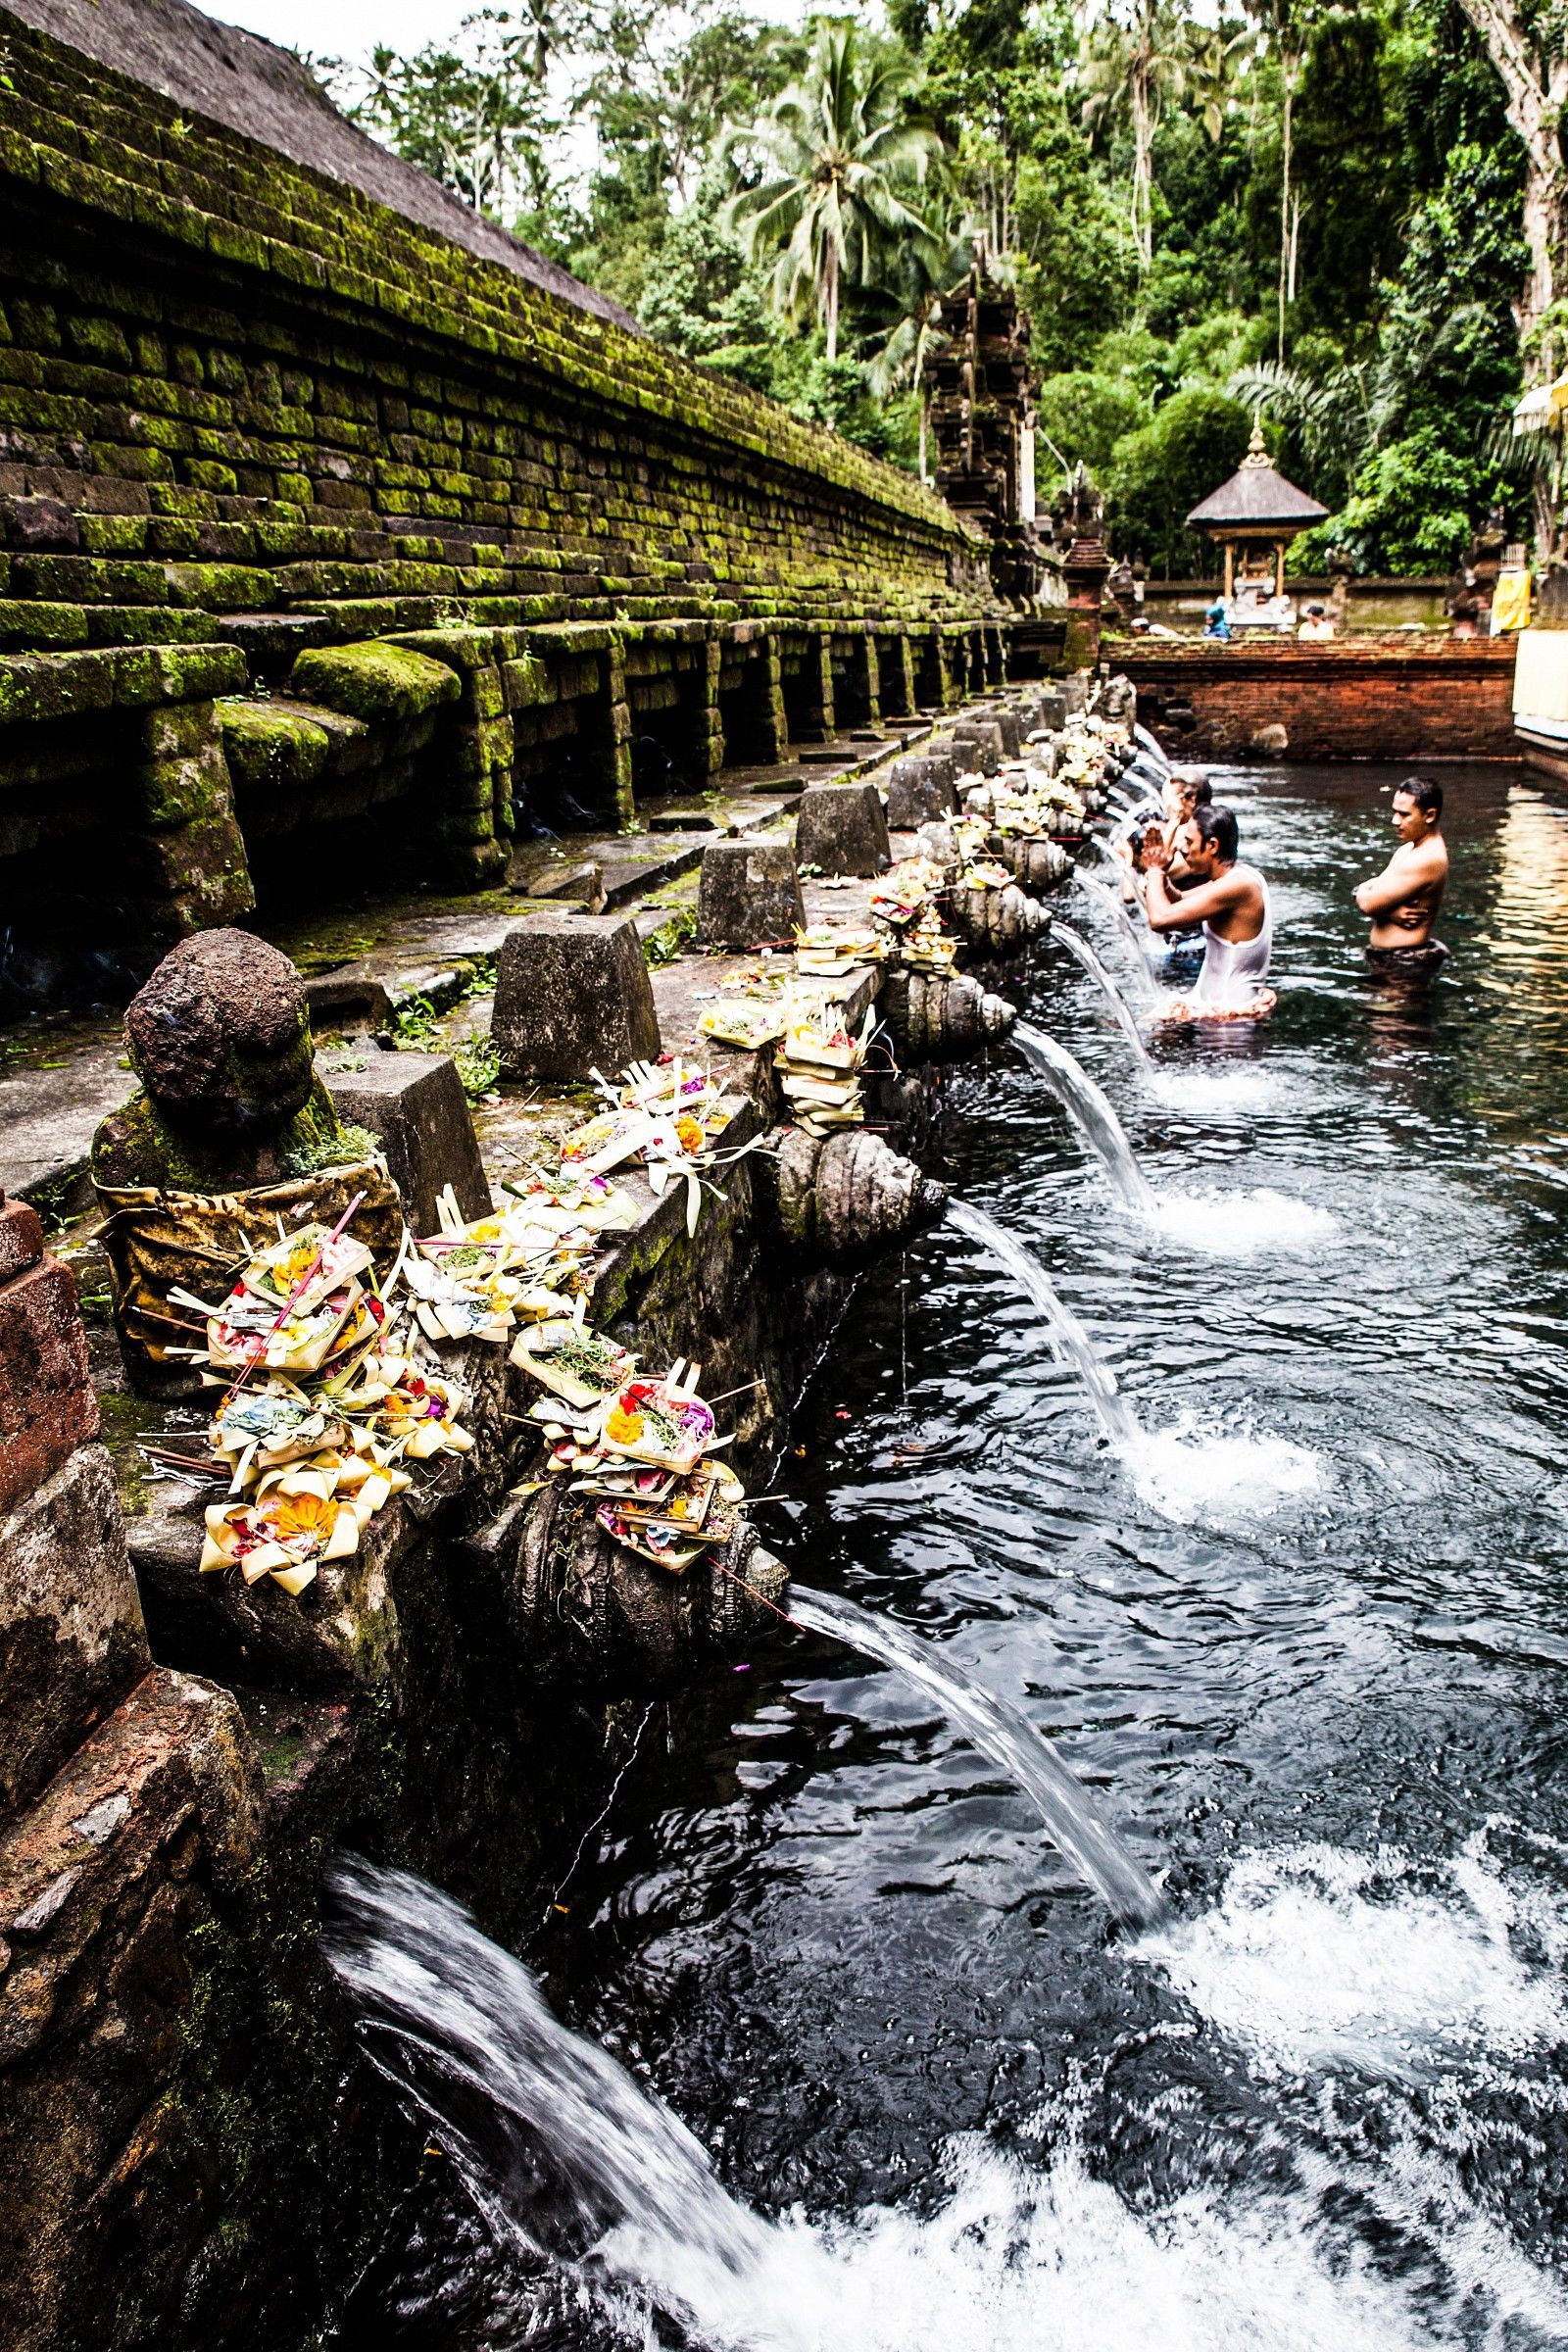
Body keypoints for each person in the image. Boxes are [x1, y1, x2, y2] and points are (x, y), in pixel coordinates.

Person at [1142, 802, 1276, 1018]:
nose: (1183, 850)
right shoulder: (1240, 877)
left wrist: (1155, 871)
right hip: (1215, 1012)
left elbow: (1160, 920)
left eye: (1189, 842)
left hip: (1228, 1021)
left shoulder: (1238, 886)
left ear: (1212, 845)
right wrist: (1163, 873)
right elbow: (1179, 900)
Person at [1352, 774, 1448, 972]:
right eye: (1394, 812)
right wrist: (1389, 911)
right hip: (1392, 960)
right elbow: (1370, 891)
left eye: (1404, 814)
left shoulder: (1427, 859)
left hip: (1403, 965)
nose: (1395, 821)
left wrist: (1371, 899)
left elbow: (1368, 903)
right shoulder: (1409, 849)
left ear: (1429, 815)